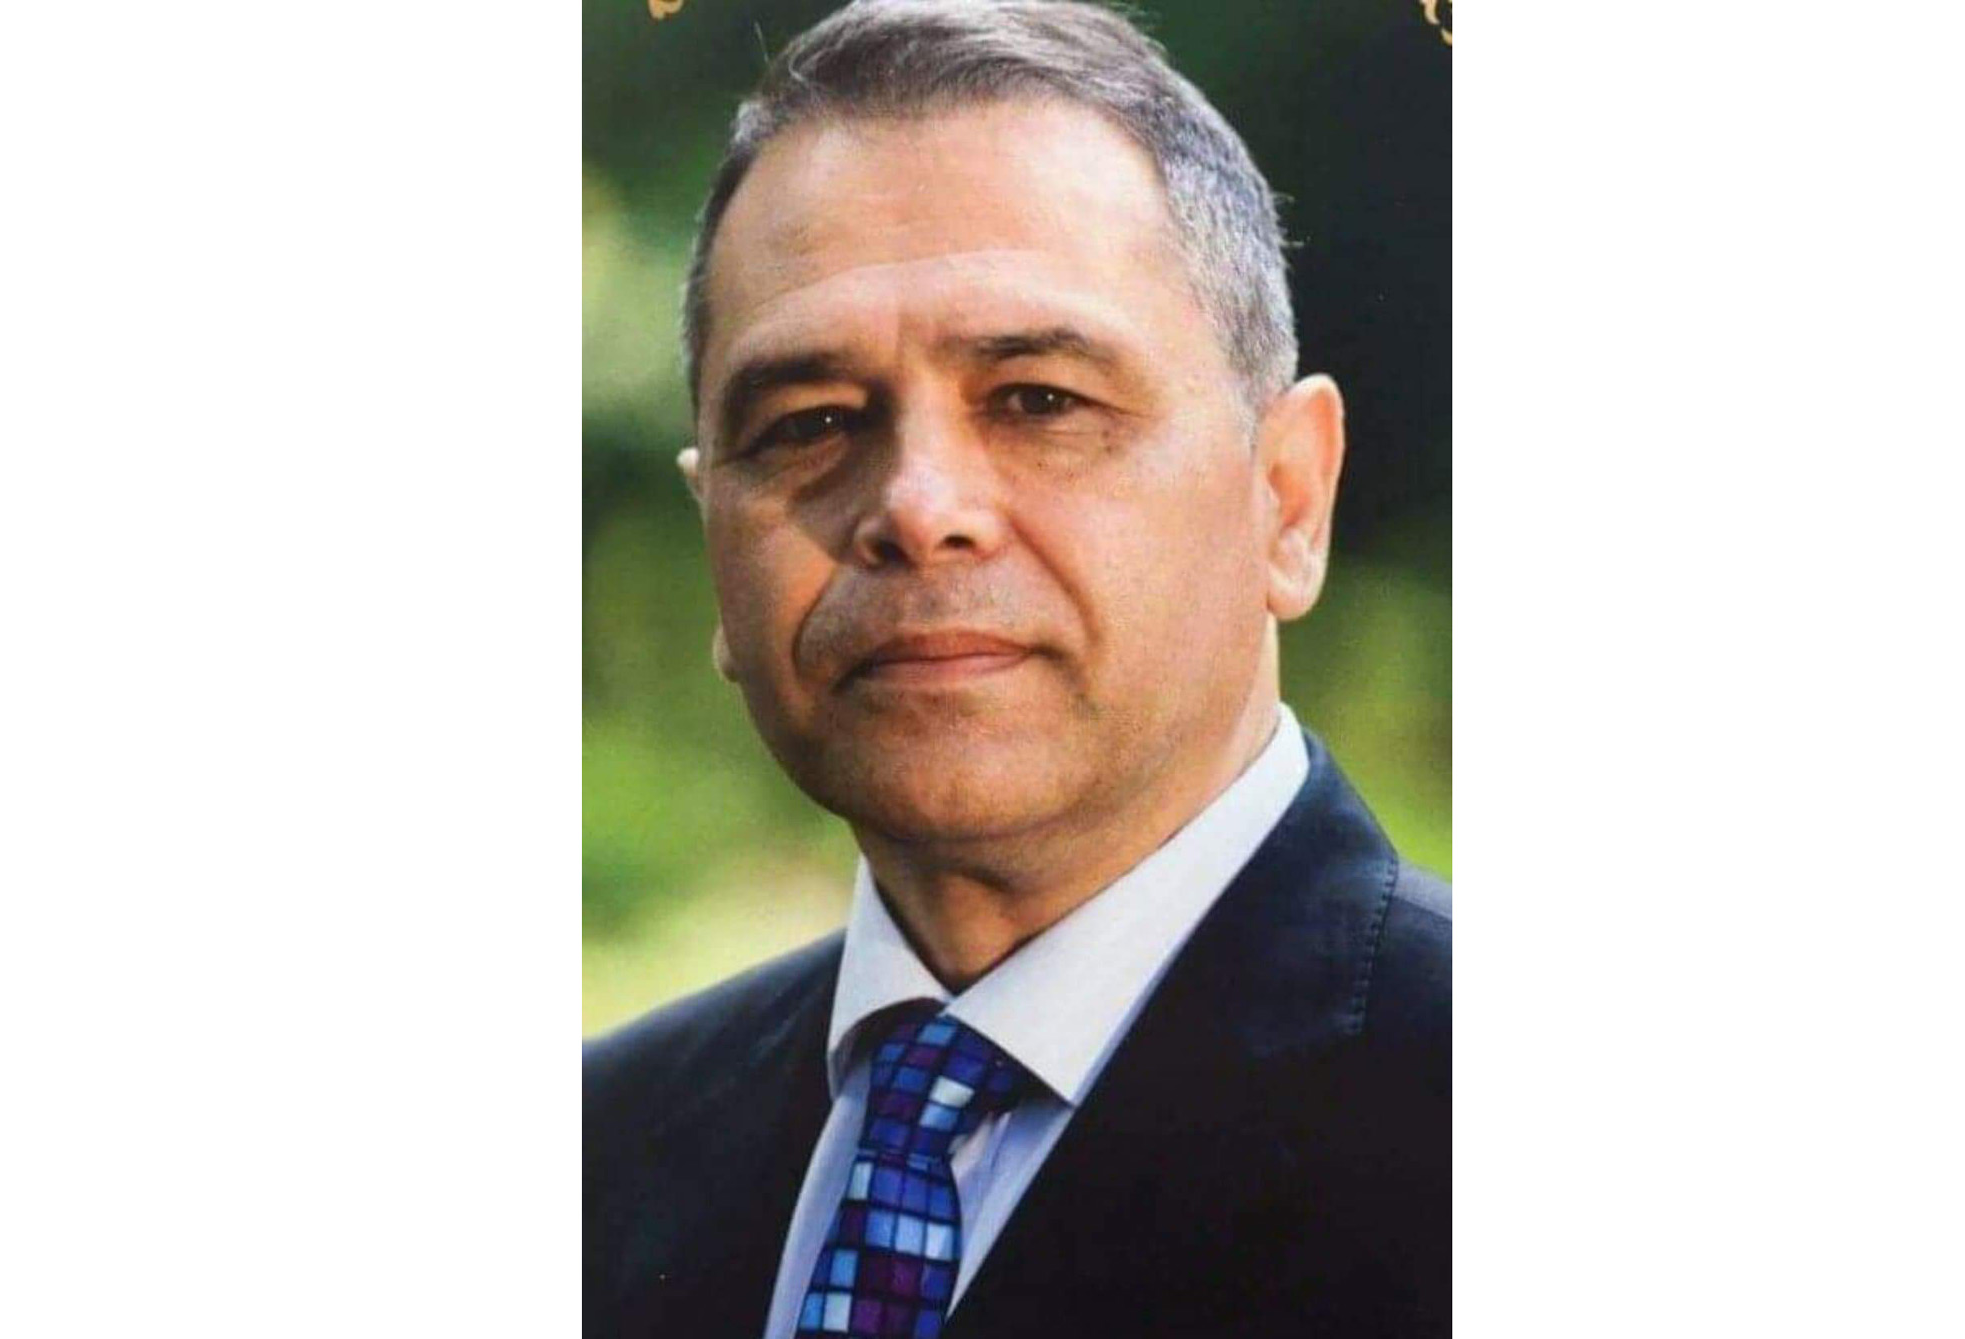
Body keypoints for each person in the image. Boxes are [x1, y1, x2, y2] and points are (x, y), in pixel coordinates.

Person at [582, 3, 1450, 1336]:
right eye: (810, 422)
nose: (916, 506)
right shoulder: (589, 1160)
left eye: (1040, 401)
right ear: (716, 543)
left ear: (1287, 501)